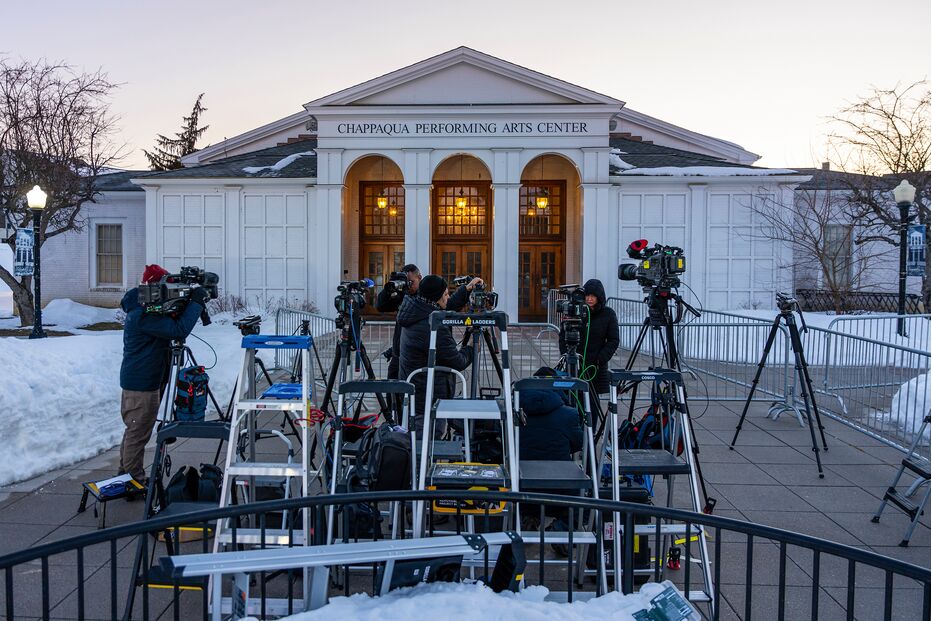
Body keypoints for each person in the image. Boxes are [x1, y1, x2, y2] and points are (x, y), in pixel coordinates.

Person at [118, 264, 211, 483]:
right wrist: (196, 302)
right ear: (154, 286)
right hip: (141, 383)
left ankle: (125, 477)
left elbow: (172, 321)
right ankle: (134, 481)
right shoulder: (142, 314)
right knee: (137, 432)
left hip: (145, 379)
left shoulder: (145, 307)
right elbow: (178, 329)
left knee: (135, 430)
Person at [397, 275, 475, 436]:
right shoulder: (433, 326)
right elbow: (458, 361)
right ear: (436, 298)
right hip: (427, 399)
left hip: (416, 393)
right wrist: (473, 347)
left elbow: (447, 306)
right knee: (427, 446)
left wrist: (466, 289)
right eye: (446, 294)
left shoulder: (417, 309)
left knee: (420, 443)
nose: (448, 297)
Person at [558, 278, 620, 414]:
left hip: (595, 367)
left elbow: (613, 340)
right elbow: (563, 336)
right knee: (572, 400)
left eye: (593, 296)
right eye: (587, 295)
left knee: (592, 404)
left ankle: (592, 433)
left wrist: (601, 358)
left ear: (599, 297)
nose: (590, 299)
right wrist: (566, 355)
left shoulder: (608, 314)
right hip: (574, 363)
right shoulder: (575, 312)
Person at [519, 367, 584, 462]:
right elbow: (579, 443)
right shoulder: (569, 414)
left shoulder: (516, 410)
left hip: (522, 468)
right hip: (561, 469)